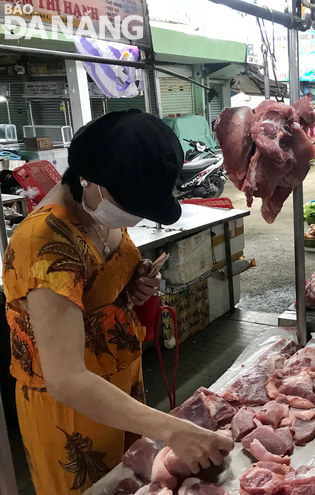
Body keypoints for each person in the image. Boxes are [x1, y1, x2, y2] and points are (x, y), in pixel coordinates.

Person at [4, 110, 233, 495]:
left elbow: (96, 292)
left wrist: (133, 288)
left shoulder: (98, 206)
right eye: (132, 203)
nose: (134, 214)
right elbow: (66, 379)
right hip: (74, 414)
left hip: (123, 391)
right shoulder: (43, 244)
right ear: (88, 178)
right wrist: (171, 427)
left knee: (139, 483)